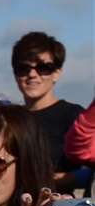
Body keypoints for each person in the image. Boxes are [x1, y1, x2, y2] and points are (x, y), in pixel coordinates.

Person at [10, 31, 82, 178]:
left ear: (56, 73)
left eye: (43, 68)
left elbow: (87, 171)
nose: (32, 74)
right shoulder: (8, 119)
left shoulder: (74, 117)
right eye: (23, 68)